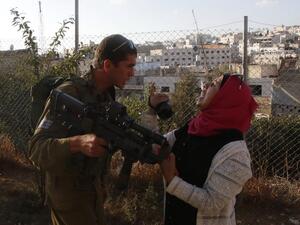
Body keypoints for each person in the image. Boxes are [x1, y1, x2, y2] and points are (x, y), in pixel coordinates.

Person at [29, 34, 137, 225]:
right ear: (107, 65)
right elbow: (36, 148)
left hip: (93, 192)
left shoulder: (105, 98)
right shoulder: (69, 93)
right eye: (129, 66)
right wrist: (76, 143)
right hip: (67, 197)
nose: (133, 73)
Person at [151, 74, 258, 225]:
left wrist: (172, 181)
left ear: (226, 98)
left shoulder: (236, 154)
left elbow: (212, 204)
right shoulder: (193, 128)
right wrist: (151, 110)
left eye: (213, 85)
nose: (205, 87)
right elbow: (156, 145)